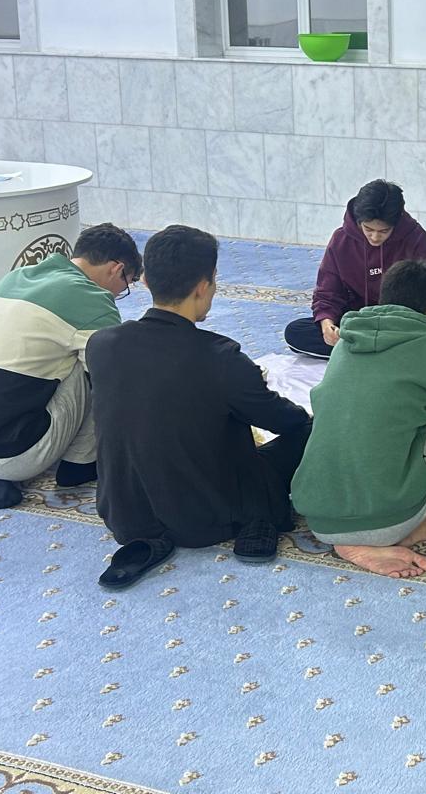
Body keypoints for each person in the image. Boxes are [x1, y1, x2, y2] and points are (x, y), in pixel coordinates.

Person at [88, 225, 312, 583]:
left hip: (126, 515)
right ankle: (260, 516)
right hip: (206, 518)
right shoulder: (221, 358)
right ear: (204, 286)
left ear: (146, 281)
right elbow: (285, 420)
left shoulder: (102, 345)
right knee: (309, 429)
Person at [293, 260, 426, 578]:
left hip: (318, 514)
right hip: (389, 517)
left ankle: (372, 531)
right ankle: (395, 529)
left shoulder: (345, 342)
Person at [0, 224, 142, 509]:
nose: (120, 293)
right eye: (127, 284)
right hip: (14, 455)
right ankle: (80, 464)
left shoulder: (16, 278)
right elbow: (115, 379)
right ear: (117, 269)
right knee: (99, 359)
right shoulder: (93, 297)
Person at [284, 179, 426, 358]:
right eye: (368, 229)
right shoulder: (341, 240)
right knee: (296, 331)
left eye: (384, 231)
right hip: (356, 323)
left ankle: (358, 353)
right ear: (359, 221)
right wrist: (327, 325)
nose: (375, 237)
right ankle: (380, 353)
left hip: (398, 326)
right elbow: (328, 292)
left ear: (396, 224)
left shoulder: (415, 239)